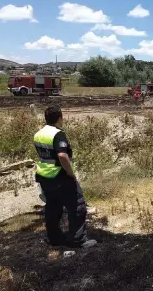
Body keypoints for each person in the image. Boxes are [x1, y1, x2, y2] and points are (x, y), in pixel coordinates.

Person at [34, 106, 96, 248]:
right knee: (78, 206)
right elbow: (62, 155)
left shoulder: (38, 134)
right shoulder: (57, 134)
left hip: (44, 176)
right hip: (59, 175)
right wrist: (70, 173)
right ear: (60, 117)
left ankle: (54, 238)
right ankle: (79, 240)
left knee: (53, 207)